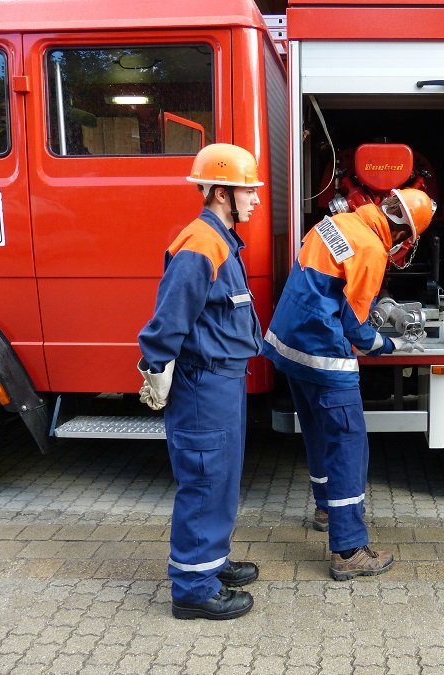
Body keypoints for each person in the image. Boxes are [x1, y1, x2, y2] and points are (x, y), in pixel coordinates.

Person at [262, 188, 435, 580]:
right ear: (406, 233)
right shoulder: (373, 250)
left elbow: (328, 288)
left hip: (289, 347)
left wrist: (375, 307)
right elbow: (355, 330)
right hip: (324, 357)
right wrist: (391, 344)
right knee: (349, 447)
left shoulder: (337, 222)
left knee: (319, 436)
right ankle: (349, 549)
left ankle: (326, 509)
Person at [137, 143, 264, 620]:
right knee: (206, 479)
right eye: (246, 191)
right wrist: (156, 369)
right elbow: (169, 318)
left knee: (222, 479)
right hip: (201, 385)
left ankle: (210, 561)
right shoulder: (201, 244)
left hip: (221, 383)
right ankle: (192, 588)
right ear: (219, 193)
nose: (253, 199)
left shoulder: (220, 240)